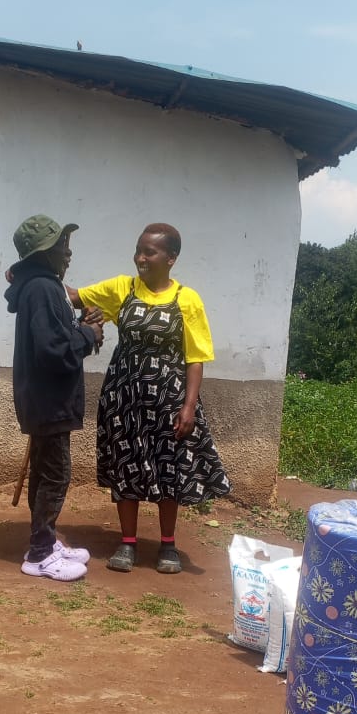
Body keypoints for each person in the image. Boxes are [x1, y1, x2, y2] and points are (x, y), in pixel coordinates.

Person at [67, 223, 230, 574]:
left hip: (168, 400)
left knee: (168, 469)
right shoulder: (122, 289)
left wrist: (189, 406)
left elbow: (195, 358)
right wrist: (36, 272)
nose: (140, 258)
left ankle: (167, 545)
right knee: (125, 466)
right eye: (138, 250)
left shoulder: (187, 299)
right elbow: (75, 297)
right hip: (123, 398)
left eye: (149, 252)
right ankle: (127, 543)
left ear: (171, 258)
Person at [5, 214, 103, 581]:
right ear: (44, 253)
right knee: (56, 475)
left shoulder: (43, 287)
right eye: (62, 245)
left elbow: (54, 339)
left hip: (44, 398)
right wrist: (88, 335)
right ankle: (40, 554)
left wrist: (82, 327)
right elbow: (53, 350)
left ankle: (44, 540)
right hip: (49, 400)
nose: (68, 252)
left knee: (44, 473)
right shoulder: (43, 289)